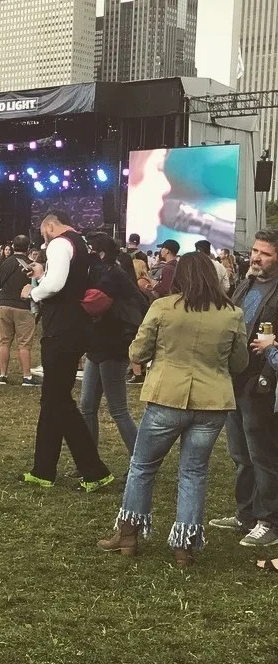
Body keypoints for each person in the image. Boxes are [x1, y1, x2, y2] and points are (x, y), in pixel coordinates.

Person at [98, 252, 248, 566]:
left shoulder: (163, 308)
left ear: (180, 276)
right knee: (193, 474)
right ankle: (185, 547)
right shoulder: (232, 313)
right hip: (212, 402)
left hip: (166, 397)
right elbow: (239, 363)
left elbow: (138, 352)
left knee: (142, 467)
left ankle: (128, 535)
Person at [19, 211, 114, 491]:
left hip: (61, 329)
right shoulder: (80, 243)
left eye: (43, 232)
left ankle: (94, 470)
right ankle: (43, 469)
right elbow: (66, 280)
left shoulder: (60, 243)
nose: (43, 238)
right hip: (74, 327)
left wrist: (32, 292)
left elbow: (57, 284)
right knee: (52, 400)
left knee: (59, 401)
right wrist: (42, 274)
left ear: (50, 225)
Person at [209, 228, 278, 548]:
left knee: (262, 453)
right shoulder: (246, 283)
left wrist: (270, 357)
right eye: (255, 251)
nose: (256, 257)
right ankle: (246, 514)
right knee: (240, 453)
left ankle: (269, 520)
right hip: (234, 377)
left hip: (262, 382)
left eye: (265, 253)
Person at [79, 233, 142, 457]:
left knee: (118, 409)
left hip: (113, 345)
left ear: (100, 253)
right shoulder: (105, 273)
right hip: (98, 345)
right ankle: (88, 460)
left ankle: (140, 461)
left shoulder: (112, 275)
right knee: (87, 406)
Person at [0, 234, 40, 387]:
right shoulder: (32, 266)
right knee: (24, 344)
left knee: (4, 342)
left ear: (12, 246)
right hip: (24, 306)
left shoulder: (4, 263)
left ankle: (2, 375)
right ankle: (26, 377)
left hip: (4, 304)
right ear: (28, 248)